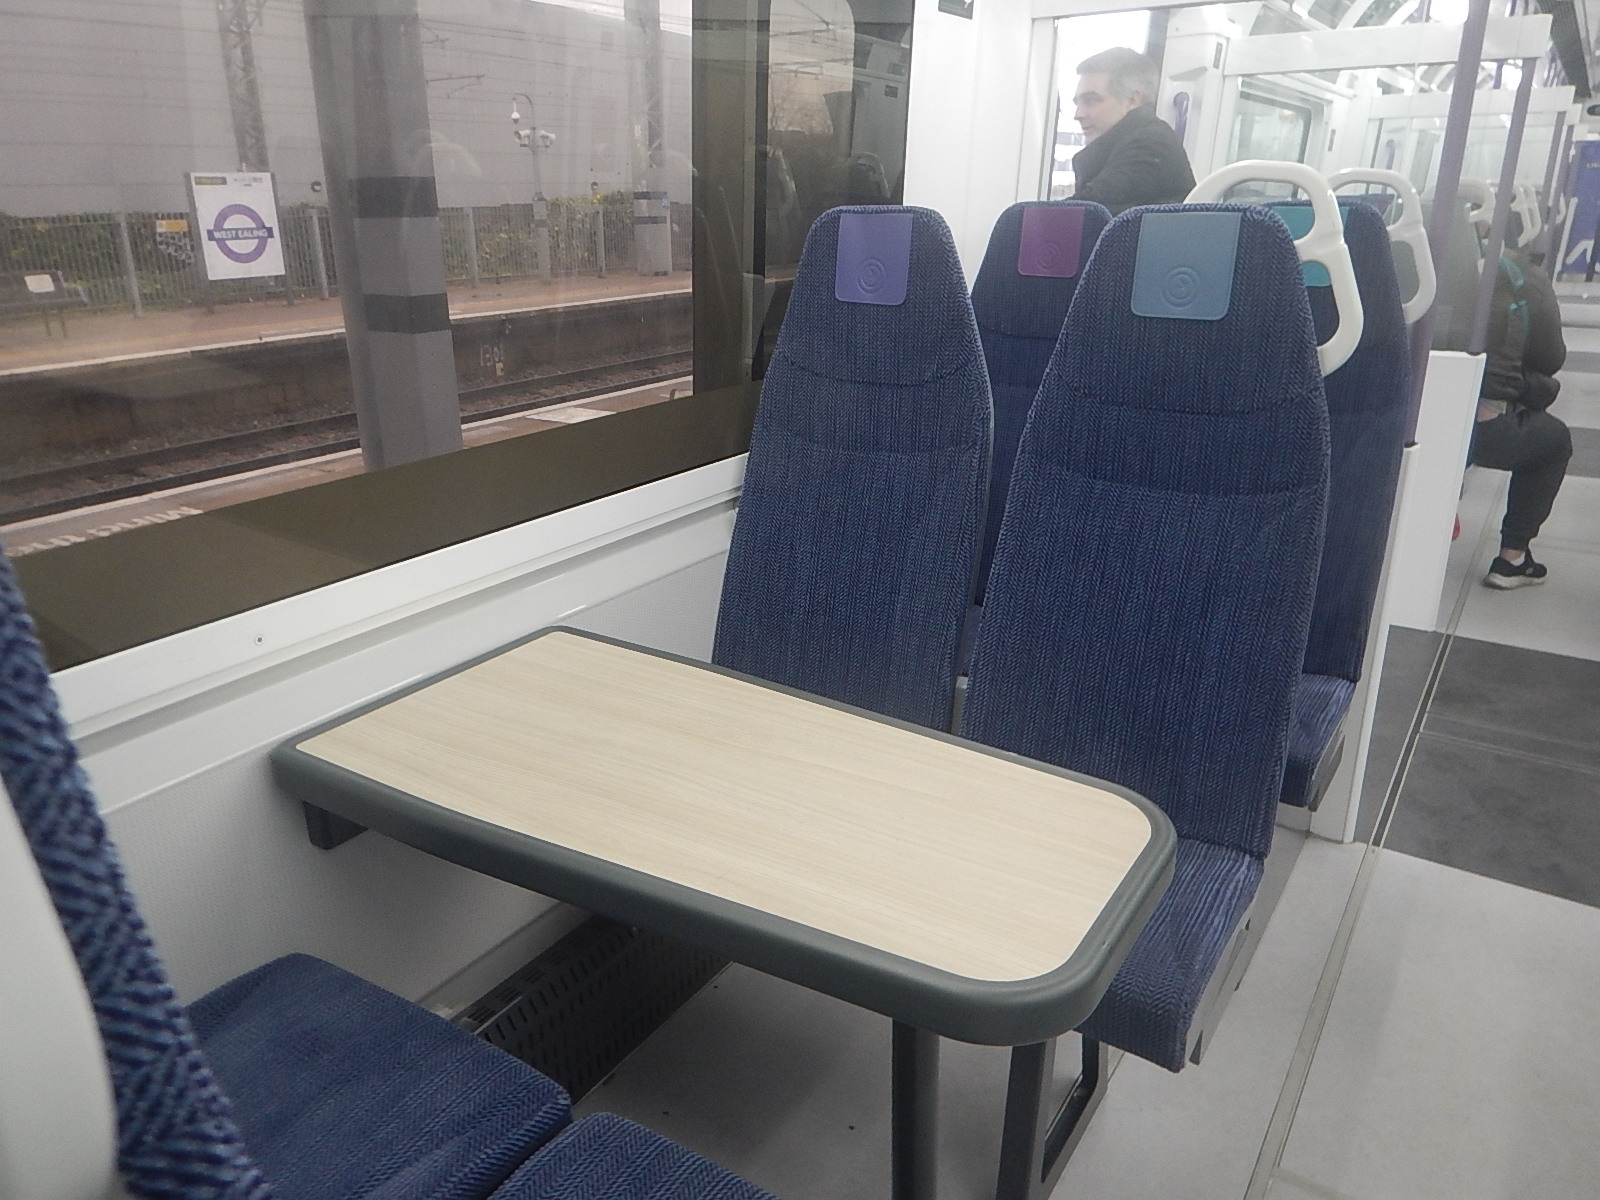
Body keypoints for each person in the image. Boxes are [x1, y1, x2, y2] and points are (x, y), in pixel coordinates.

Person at [1469, 243, 1572, 588]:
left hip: (1412, 409)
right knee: (1554, 442)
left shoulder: (1424, 249)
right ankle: (1511, 559)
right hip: (1482, 425)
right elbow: (1551, 357)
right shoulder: (1523, 276)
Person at [1070, 47, 1196, 215]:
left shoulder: (1151, 145)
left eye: (1091, 100)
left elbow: (1087, 212)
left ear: (1132, 100)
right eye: (1077, 103)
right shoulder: (1128, 143)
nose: (1078, 114)